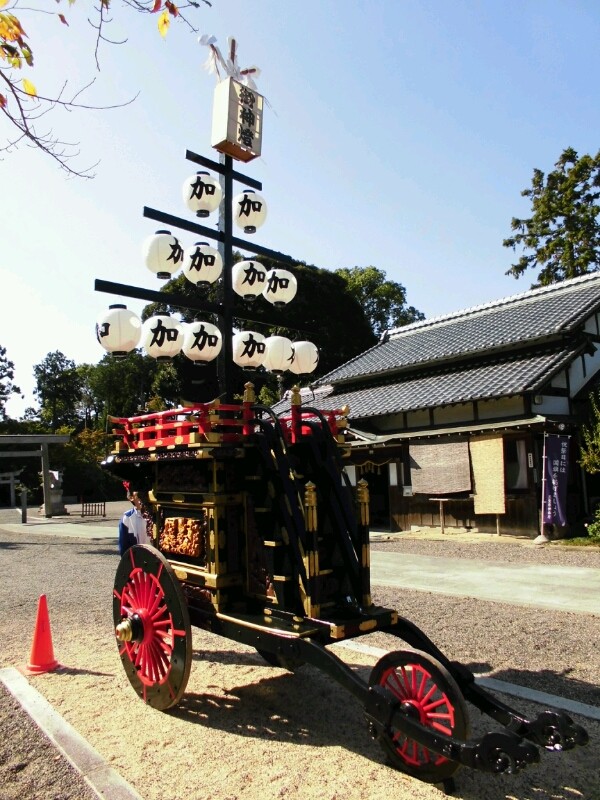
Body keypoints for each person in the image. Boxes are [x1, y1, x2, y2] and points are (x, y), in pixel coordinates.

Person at [118, 483, 153, 555]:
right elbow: (124, 548)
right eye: (139, 495)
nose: (144, 498)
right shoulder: (127, 518)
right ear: (131, 497)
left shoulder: (157, 514)